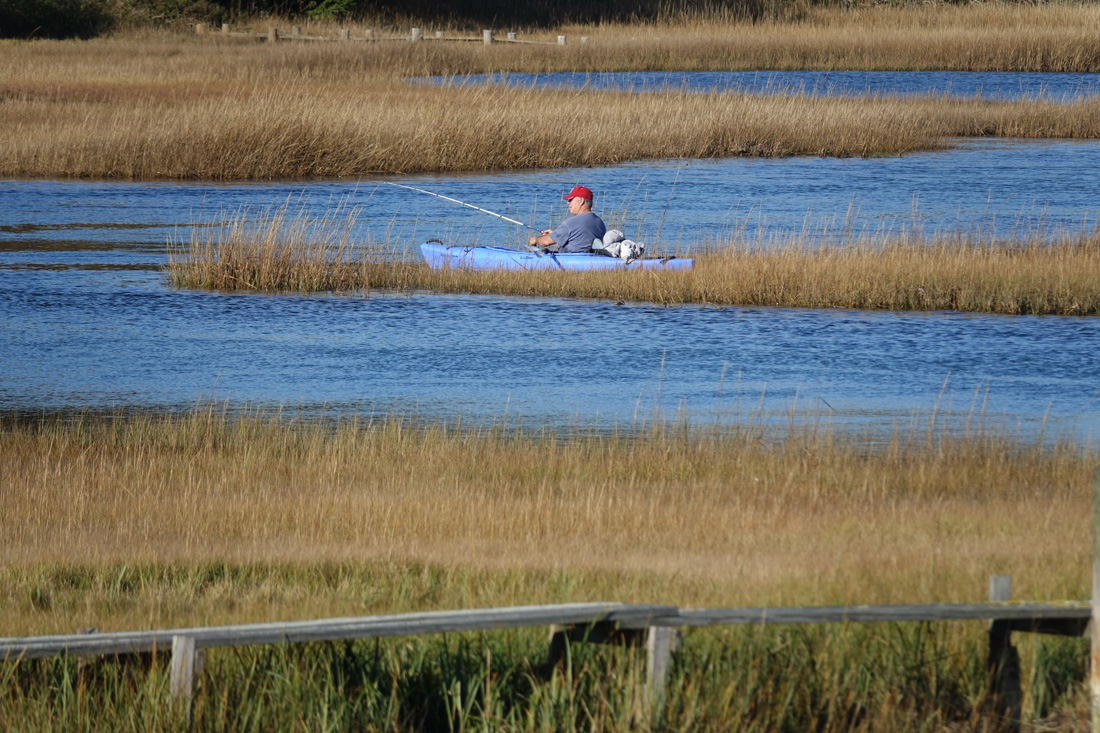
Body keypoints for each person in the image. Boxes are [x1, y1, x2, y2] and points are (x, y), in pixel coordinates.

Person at [528, 185, 606, 253]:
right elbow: (578, 241)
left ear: (581, 201)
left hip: (571, 261)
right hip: (589, 259)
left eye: (571, 200)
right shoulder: (600, 222)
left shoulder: (571, 223)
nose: (568, 202)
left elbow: (545, 242)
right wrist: (554, 235)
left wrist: (535, 239)